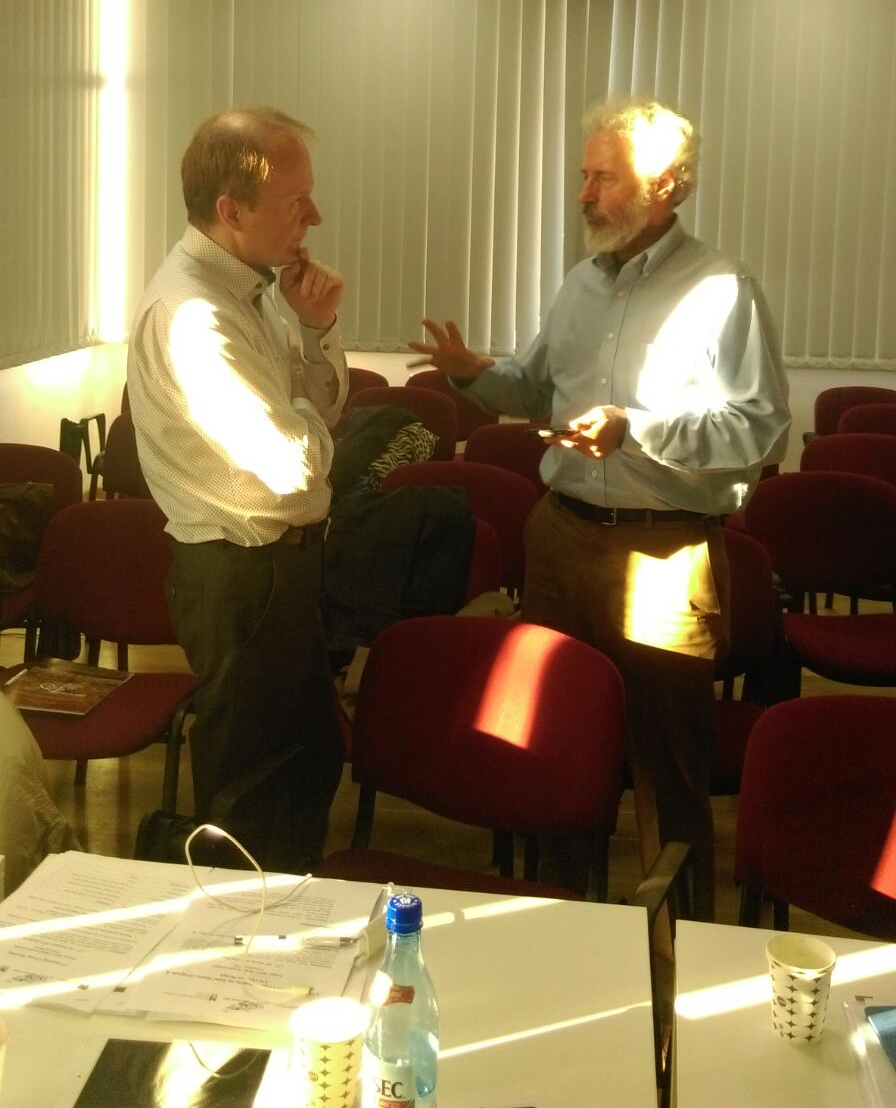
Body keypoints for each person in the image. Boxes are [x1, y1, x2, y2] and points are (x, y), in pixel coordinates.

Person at [409, 96, 790, 918]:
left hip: (665, 553)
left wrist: (635, 429)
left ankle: (678, 939)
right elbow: (534, 385)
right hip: (560, 538)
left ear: (667, 184)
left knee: (667, 761)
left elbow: (760, 426)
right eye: (584, 175)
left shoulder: (723, 288)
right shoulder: (580, 283)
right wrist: (473, 372)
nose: (583, 194)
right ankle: (561, 917)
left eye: (604, 178)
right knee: (555, 740)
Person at [127, 108, 348, 871]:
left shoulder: (249, 292)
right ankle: (240, 935)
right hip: (241, 577)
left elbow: (316, 416)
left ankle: (284, 920)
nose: (315, 218)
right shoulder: (195, 317)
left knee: (305, 766)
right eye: (296, 202)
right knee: (252, 803)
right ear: (232, 210)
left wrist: (315, 331)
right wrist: (310, 425)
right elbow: (293, 469)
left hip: (274, 570)